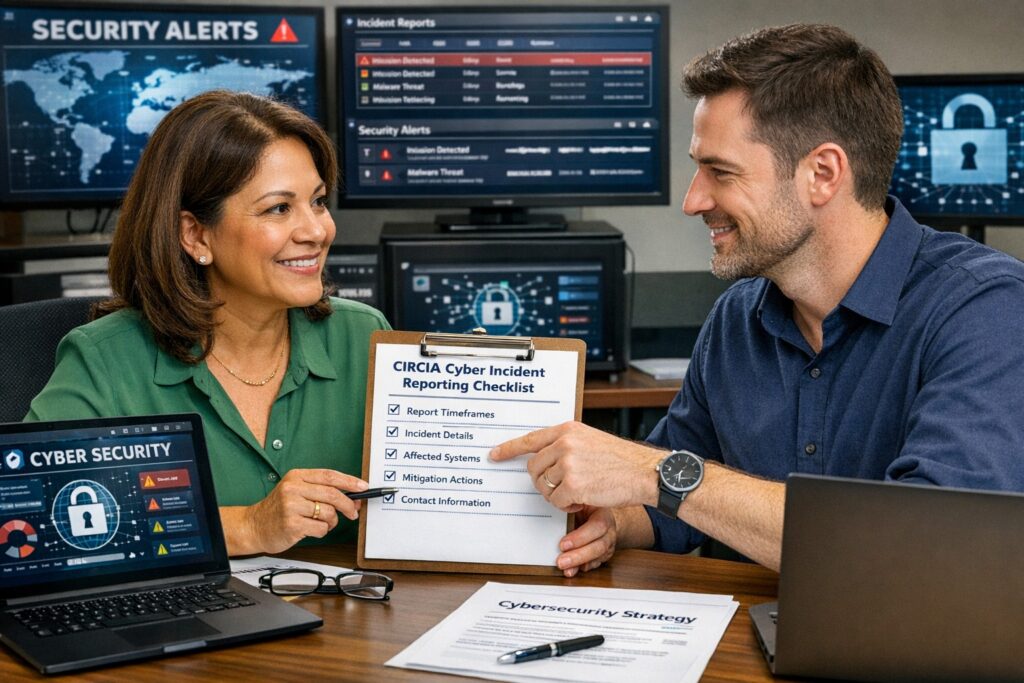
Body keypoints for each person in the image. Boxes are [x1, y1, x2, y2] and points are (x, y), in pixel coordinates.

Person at [491, 24, 1024, 574]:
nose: (693, 201)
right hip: (745, 649)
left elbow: (927, 548)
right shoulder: (737, 318)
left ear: (822, 174)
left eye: (720, 171)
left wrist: (653, 474)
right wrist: (615, 521)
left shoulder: (988, 311)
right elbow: (675, 505)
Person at [26, 90, 389, 556]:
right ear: (195, 234)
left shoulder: (364, 336)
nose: (317, 231)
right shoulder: (105, 360)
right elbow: (35, 526)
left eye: (317, 202)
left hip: (348, 624)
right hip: (178, 626)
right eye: (279, 208)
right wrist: (247, 527)